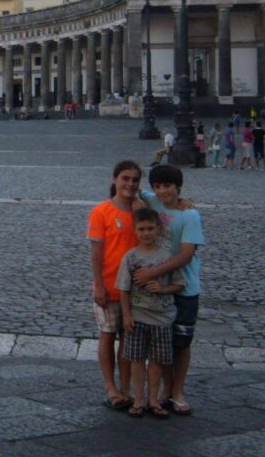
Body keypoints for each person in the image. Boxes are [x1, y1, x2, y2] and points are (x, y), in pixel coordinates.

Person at [135, 164, 204, 416]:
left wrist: (152, 273)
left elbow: (187, 255)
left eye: (168, 186)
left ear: (178, 187)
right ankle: (167, 389)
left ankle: (178, 390)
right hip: (159, 287)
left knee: (182, 342)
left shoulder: (190, 216)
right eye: (158, 186)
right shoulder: (151, 199)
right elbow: (128, 189)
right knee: (162, 341)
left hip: (184, 286)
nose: (163, 191)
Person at [117, 207, 185, 418]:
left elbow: (179, 284)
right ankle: (139, 398)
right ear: (135, 231)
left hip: (162, 317)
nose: (146, 233)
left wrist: (162, 289)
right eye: (142, 229)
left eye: (150, 228)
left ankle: (153, 398)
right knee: (136, 360)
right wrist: (126, 315)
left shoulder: (167, 257)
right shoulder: (130, 257)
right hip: (138, 316)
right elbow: (123, 289)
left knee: (157, 361)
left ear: (158, 229)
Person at [87, 160, 142, 410]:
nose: (129, 184)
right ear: (115, 180)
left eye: (134, 180)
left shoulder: (142, 211)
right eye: (125, 179)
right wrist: (98, 284)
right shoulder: (101, 212)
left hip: (136, 289)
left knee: (128, 340)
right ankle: (110, 387)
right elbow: (96, 252)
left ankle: (125, 387)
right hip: (109, 285)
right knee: (108, 337)